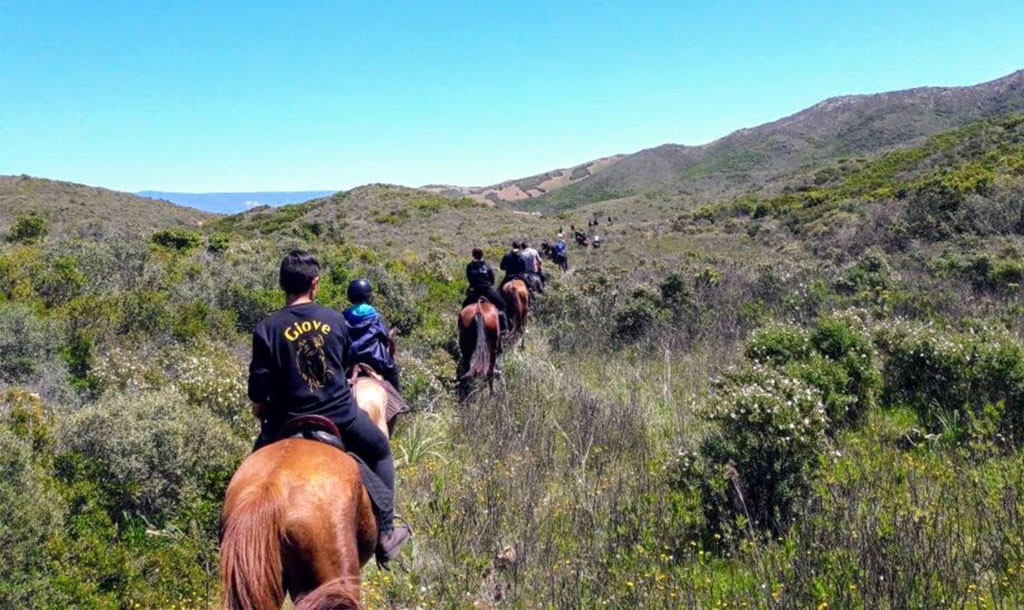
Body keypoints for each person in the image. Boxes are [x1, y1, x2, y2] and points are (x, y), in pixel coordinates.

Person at [247, 250, 411, 564]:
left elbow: (257, 391)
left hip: (284, 423)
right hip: (340, 417)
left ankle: (228, 536)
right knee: (379, 451)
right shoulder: (335, 320)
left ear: (282, 285)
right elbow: (346, 366)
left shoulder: (266, 328)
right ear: (315, 283)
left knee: (252, 478)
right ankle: (386, 533)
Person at [344, 278, 401, 392]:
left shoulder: (344, 315)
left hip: (349, 360)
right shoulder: (374, 316)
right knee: (393, 370)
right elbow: (385, 337)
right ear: (367, 296)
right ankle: (399, 400)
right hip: (373, 358)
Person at [463, 247, 509, 334]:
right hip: (487, 290)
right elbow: (492, 280)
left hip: (475, 290)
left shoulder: (469, 266)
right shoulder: (487, 267)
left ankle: (461, 328)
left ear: (473, 255)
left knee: (464, 306)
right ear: (482, 255)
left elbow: (469, 278)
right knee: (502, 305)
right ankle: (504, 329)